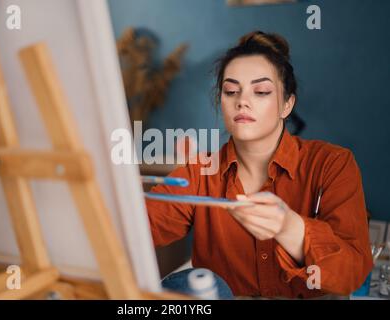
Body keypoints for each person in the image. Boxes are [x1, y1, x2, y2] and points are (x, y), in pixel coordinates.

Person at [145, 31, 373, 299]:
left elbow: (353, 274)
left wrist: (290, 228)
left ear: (287, 105)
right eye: (231, 91)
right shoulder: (199, 172)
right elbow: (138, 229)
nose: (242, 101)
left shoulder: (332, 164)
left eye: (261, 91)